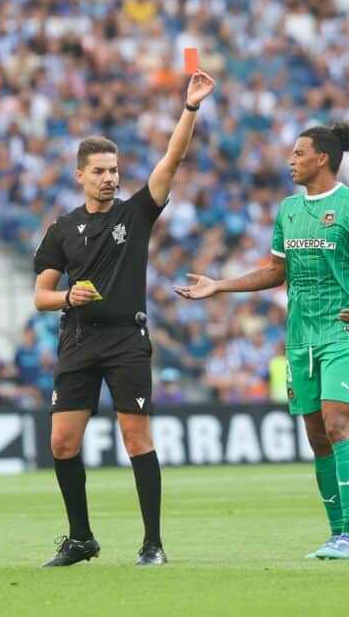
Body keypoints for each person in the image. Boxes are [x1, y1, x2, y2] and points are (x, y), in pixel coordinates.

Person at [174, 122, 349, 561]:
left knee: (337, 423)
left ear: (322, 158)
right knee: (316, 434)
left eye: (298, 153)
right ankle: (336, 534)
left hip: (343, 331)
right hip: (299, 337)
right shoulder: (288, 210)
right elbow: (275, 272)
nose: (290, 160)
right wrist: (220, 285)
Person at [33, 70, 216, 567]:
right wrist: (69, 295)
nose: (110, 177)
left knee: (136, 437)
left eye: (114, 169)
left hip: (125, 339)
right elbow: (40, 297)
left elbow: (172, 160)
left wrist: (191, 108)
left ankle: (152, 543)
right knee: (62, 441)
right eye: (100, 171)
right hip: (77, 339)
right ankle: (80, 539)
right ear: (80, 175)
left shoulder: (134, 213)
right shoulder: (62, 228)